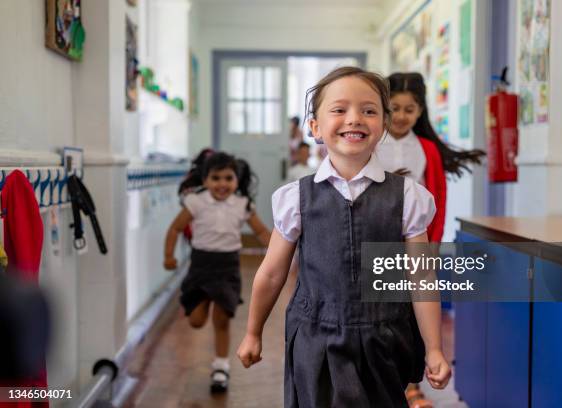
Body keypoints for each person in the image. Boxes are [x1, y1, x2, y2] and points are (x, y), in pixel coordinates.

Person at [237, 66, 451, 407]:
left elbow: (421, 276)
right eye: (339, 109)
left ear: (382, 126)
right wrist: (253, 331)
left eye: (369, 110)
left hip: (384, 339)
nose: (355, 119)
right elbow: (272, 272)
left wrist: (435, 348)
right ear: (315, 127)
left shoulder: (409, 197)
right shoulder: (295, 198)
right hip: (314, 338)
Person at [164, 152, 271, 393]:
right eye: (215, 178)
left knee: (222, 320)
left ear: (236, 179)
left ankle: (221, 366)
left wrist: (282, 251)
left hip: (227, 268)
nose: (222, 184)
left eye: (228, 178)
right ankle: (201, 305)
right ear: (205, 180)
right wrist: (168, 256)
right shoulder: (196, 202)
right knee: (196, 321)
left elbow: (262, 232)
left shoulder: (243, 204)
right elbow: (175, 228)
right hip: (201, 266)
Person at [376, 72, 485, 242]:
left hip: (418, 239)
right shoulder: (370, 145)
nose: (401, 116)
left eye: (409, 110)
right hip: (376, 237)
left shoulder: (428, 149)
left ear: (420, 110)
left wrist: (434, 245)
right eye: (394, 108)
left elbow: (439, 200)